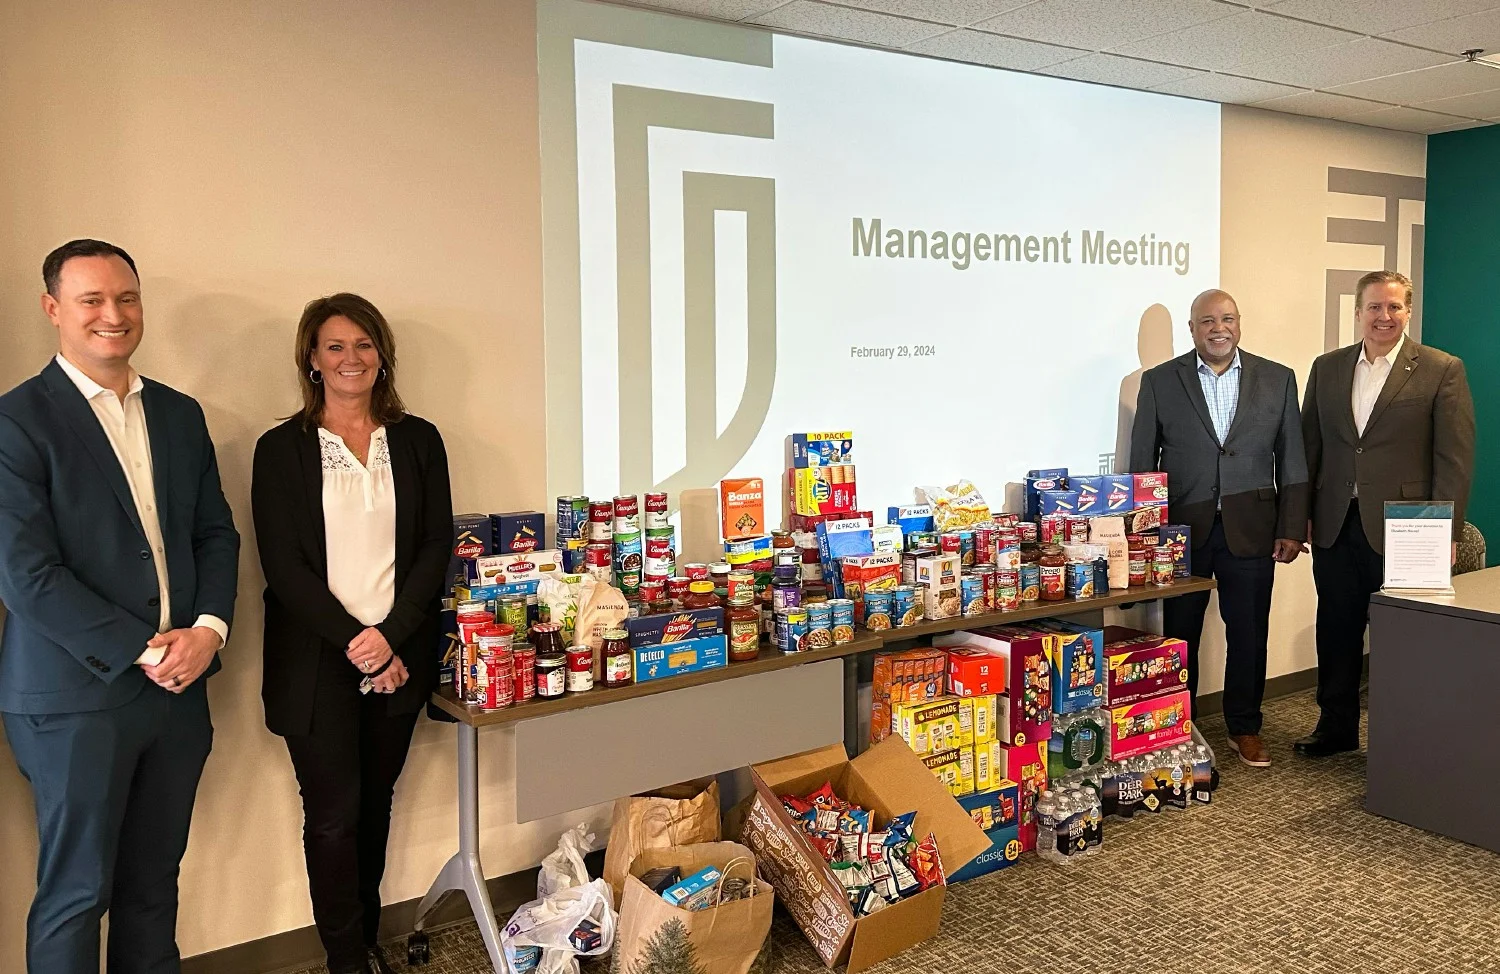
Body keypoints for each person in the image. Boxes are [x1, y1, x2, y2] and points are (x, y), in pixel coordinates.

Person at [0, 239, 240, 974]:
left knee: (152, 886)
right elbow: (26, 574)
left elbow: (215, 534)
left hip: (178, 692)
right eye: (93, 300)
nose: (114, 314)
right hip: (74, 697)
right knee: (75, 893)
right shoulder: (17, 422)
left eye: (127, 298)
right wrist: (147, 646)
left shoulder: (178, 414)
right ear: (53, 310)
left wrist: (207, 629)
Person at [252, 293, 452, 974]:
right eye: (335, 346)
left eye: (364, 345)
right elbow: (285, 567)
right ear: (312, 359)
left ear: (382, 355)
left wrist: (390, 638)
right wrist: (360, 642)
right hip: (316, 661)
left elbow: (434, 548)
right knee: (334, 816)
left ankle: (365, 942)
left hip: (399, 653)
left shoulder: (419, 439)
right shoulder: (281, 450)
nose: (350, 358)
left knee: (375, 805)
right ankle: (345, 960)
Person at [1296, 270, 1474, 758]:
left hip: (1409, 527)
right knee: (1336, 628)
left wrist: (1448, 529)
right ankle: (1335, 729)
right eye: (1374, 307)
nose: (1384, 316)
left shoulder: (1441, 369)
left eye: (1394, 307)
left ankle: (1406, 738)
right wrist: (1301, 514)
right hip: (1335, 520)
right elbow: (1310, 447)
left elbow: (1453, 458)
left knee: (1406, 635)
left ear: (1408, 312)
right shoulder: (1327, 367)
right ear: (1357, 313)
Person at [1130, 289, 1309, 768]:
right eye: (1207, 320)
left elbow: (1292, 460)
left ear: (1239, 323)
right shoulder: (1159, 381)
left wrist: (1292, 526)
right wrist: (1143, 536)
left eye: (1227, 318)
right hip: (1181, 534)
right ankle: (1175, 726)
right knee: (1180, 634)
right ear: (1192, 329)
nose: (1218, 328)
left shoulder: (1278, 379)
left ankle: (1244, 728)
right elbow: (1142, 466)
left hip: (1253, 527)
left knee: (1249, 632)